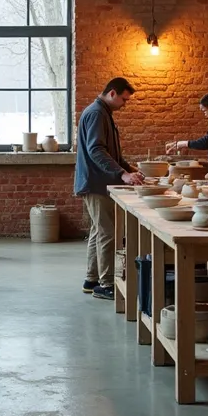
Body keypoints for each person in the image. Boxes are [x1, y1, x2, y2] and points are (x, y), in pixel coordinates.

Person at [75, 77, 144, 301]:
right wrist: (122, 174)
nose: (125, 104)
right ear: (112, 93)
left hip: (98, 181)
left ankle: (91, 279)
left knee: (98, 231)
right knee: (107, 233)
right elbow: (96, 150)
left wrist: (130, 169)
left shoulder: (103, 113)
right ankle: (106, 284)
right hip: (96, 183)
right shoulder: (96, 114)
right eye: (124, 99)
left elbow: (112, 153)